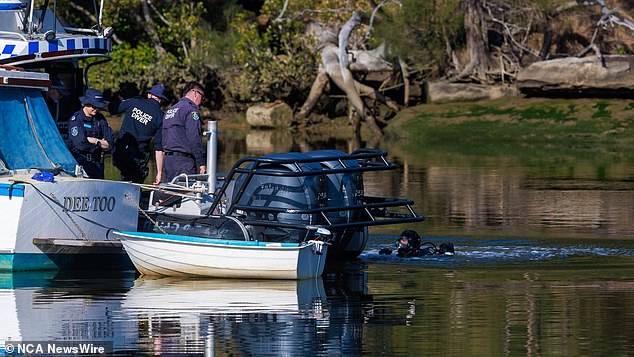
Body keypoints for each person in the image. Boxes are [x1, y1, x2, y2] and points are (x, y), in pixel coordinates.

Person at [109, 84, 167, 184]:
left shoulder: (134, 102)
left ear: (149, 95)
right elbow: (159, 149)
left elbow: (112, 108)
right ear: (161, 100)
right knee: (135, 182)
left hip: (118, 152)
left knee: (125, 178)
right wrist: (159, 173)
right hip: (137, 157)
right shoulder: (161, 117)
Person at [161, 81, 207, 183]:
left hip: (168, 162)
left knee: (170, 196)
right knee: (186, 195)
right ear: (195, 93)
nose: (202, 100)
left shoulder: (170, 110)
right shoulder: (191, 110)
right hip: (183, 162)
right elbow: (194, 137)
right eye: (202, 97)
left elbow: (163, 139)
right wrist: (201, 162)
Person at [68, 88, 114, 179]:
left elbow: (111, 143)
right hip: (81, 163)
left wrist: (95, 141)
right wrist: (100, 144)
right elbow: (80, 144)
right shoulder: (77, 119)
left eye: (99, 107)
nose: (96, 109)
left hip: (98, 163)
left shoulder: (100, 119)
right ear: (86, 104)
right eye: (94, 106)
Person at [379, 230, 455, 257]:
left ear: (412, 242)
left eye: (403, 241)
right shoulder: (395, 254)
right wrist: (384, 254)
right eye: (400, 240)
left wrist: (445, 250)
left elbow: (446, 255)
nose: (400, 243)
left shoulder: (428, 252)